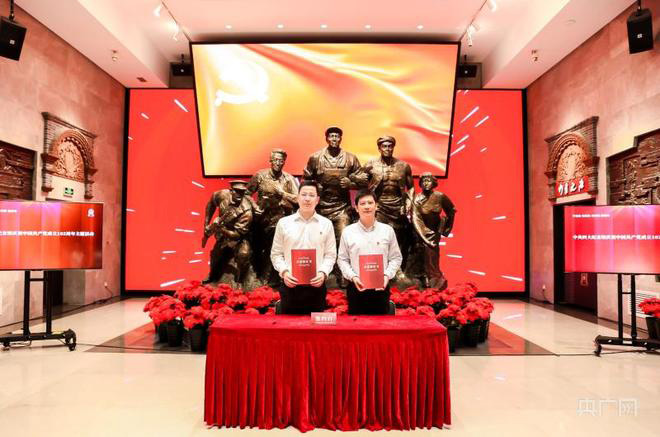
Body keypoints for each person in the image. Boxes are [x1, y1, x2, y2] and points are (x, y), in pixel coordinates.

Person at [270, 180, 337, 314]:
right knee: (289, 326)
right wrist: (284, 272)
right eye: (304, 194)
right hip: (290, 286)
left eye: (311, 195)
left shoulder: (326, 224)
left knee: (315, 327)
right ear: (297, 197)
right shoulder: (284, 223)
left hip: (316, 287)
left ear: (317, 200)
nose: (307, 199)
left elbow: (330, 255)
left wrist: (323, 273)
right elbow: (276, 254)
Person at [337, 189, 402, 315]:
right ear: (356, 208)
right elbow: (342, 259)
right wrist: (353, 277)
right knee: (356, 326)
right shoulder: (348, 232)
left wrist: (387, 275)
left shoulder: (387, 230)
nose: (367, 206)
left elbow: (396, 257)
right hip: (356, 289)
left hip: (381, 289)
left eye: (370, 203)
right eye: (362, 204)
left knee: (381, 326)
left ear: (376, 206)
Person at [361, 136, 414, 273]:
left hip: (397, 206)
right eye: (384, 146)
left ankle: (396, 269)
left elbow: (411, 187)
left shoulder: (403, 166)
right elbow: (359, 182)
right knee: (378, 237)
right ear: (379, 148)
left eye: (390, 146)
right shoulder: (370, 165)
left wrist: (409, 201)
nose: (387, 149)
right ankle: (377, 267)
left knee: (397, 238)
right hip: (379, 206)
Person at [247, 149, 299, 284]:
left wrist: (282, 193)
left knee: (273, 248)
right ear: (270, 161)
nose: (278, 163)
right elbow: (246, 194)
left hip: (280, 219)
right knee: (257, 246)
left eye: (281, 160)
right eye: (275, 160)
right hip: (261, 218)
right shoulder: (260, 176)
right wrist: (254, 206)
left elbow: (298, 199)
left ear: (284, 162)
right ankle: (255, 275)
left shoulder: (289, 179)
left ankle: (268, 278)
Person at [202, 180, 255, 285]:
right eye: (237, 191)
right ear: (231, 191)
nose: (239, 194)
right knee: (215, 255)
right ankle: (212, 275)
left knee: (243, 255)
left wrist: (220, 228)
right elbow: (211, 204)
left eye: (242, 192)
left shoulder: (247, 211)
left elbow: (237, 235)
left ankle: (240, 280)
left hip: (240, 236)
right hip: (222, 233)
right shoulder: (222, 195)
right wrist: (206, 225)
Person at [410, 172, 456, 289]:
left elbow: (452, 210)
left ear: (434, 183)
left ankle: (434, 280)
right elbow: (415, 218)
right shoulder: (416, 198)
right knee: (420, 255)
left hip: (434, 232)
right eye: (423, 181)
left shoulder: (440, 196)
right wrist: (424, 234)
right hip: (419, 232)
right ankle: (422, 279)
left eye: (428, 180)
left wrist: (446, 227)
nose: (426, 183)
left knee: (432, 257)